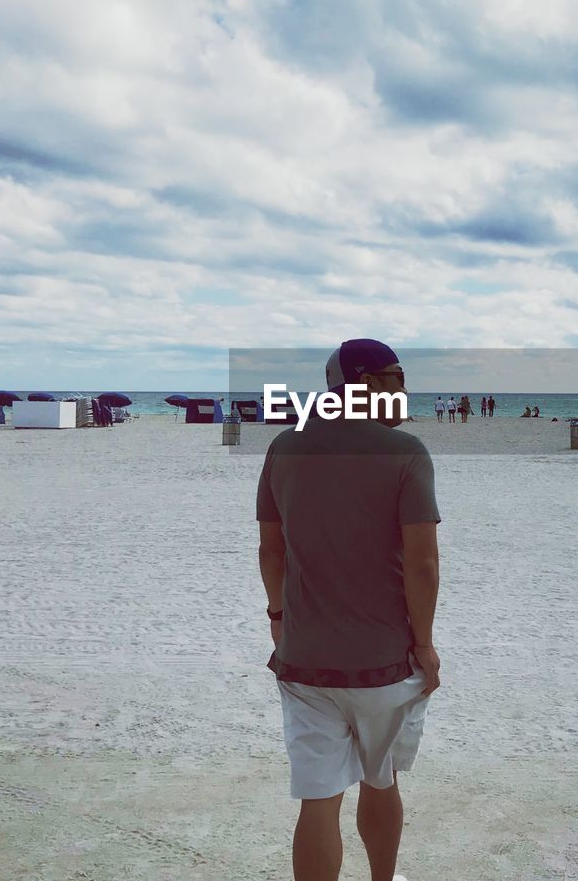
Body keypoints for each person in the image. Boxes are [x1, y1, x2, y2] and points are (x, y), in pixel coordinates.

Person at [257, 338, 441, 881]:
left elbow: (272, 550)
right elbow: (422, 562)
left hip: (304, 658)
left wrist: (278, 618)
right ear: (370, 385)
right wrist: (425, 645)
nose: (405, 391)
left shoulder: (284, 448)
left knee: (318, 799)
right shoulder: (406, 451)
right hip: (383, 660)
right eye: (398, 379)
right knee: (379, 777)